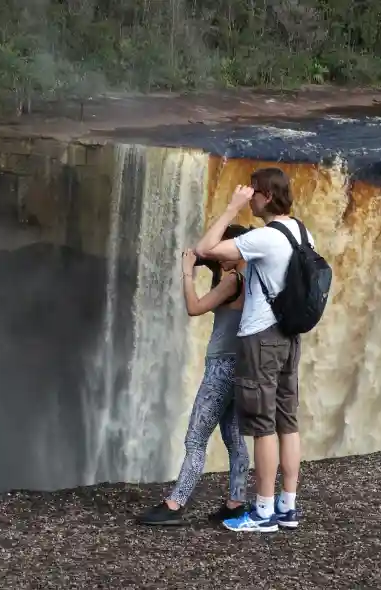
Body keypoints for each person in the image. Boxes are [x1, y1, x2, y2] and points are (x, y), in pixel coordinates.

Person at [194, 167, 312, 533]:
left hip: (261, 337)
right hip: (289, 336)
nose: (250, 200)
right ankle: (287, 506)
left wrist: (231, 207)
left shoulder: (264, 237)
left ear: (266, 196)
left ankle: (262, 512)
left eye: (253, 193)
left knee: (262, 426)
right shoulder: (302, 232)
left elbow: (204, 249)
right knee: (287, 422)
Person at [136, 224, 253, 527]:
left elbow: (194, 307)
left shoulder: (233, 280)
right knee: (233, 436)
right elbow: (221, 305)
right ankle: (237, 501)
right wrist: (213, 267)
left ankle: (176, 503)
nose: (219, 257)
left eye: (223, 252)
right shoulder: (250, 276)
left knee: (196, 438)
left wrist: (188, 272)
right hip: (241, 365)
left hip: (222, 368)